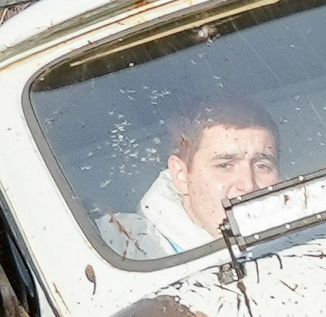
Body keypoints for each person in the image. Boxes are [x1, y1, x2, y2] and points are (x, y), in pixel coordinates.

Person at [98, 95, 282, 258]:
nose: (248, 185)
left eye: (262, 166)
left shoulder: (304, 239)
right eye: (224, 165)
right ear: (181, 175)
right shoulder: (124, 251)